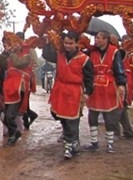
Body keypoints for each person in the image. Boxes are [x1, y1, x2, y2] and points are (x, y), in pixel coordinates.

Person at [42, 31, 94, 160]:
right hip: (60, 89)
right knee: (61, 117)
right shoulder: (59, 55)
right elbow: (46, 55)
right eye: (66, 43)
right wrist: (48, 41)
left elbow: (89, 78)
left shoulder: (84, 59)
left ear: (77, 43)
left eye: (71, 43)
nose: (68, 46)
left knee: (72, 119)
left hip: (74, 91)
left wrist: (88, 93)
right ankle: (73, 143)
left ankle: (69, 146)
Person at [84, 31, 127, 153]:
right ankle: (94, 143)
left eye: (98, 38)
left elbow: (119, 68)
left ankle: (110, 144)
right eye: (95, 38)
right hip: (95, 87)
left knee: (109, 116)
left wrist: (121, 84)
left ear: (105, 40)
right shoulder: (91, 52)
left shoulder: (115, 52)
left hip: (109, 86)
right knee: (92, 115)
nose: (95, 40)